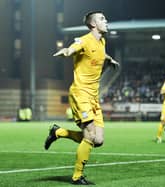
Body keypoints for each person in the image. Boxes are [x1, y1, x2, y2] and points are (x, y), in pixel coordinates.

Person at [44, 11, 119, 185]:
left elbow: (100, 54)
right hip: (80, 93)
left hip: (93, 97)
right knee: (90, 134)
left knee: (98, 140)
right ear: (93, 24)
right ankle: (77, 176)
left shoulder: (102, 41)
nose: (106, 20)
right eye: (102, 18)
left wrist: (110, 59)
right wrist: (66, 51)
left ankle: (58, 132)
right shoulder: (84, 40)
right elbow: (73, 48)